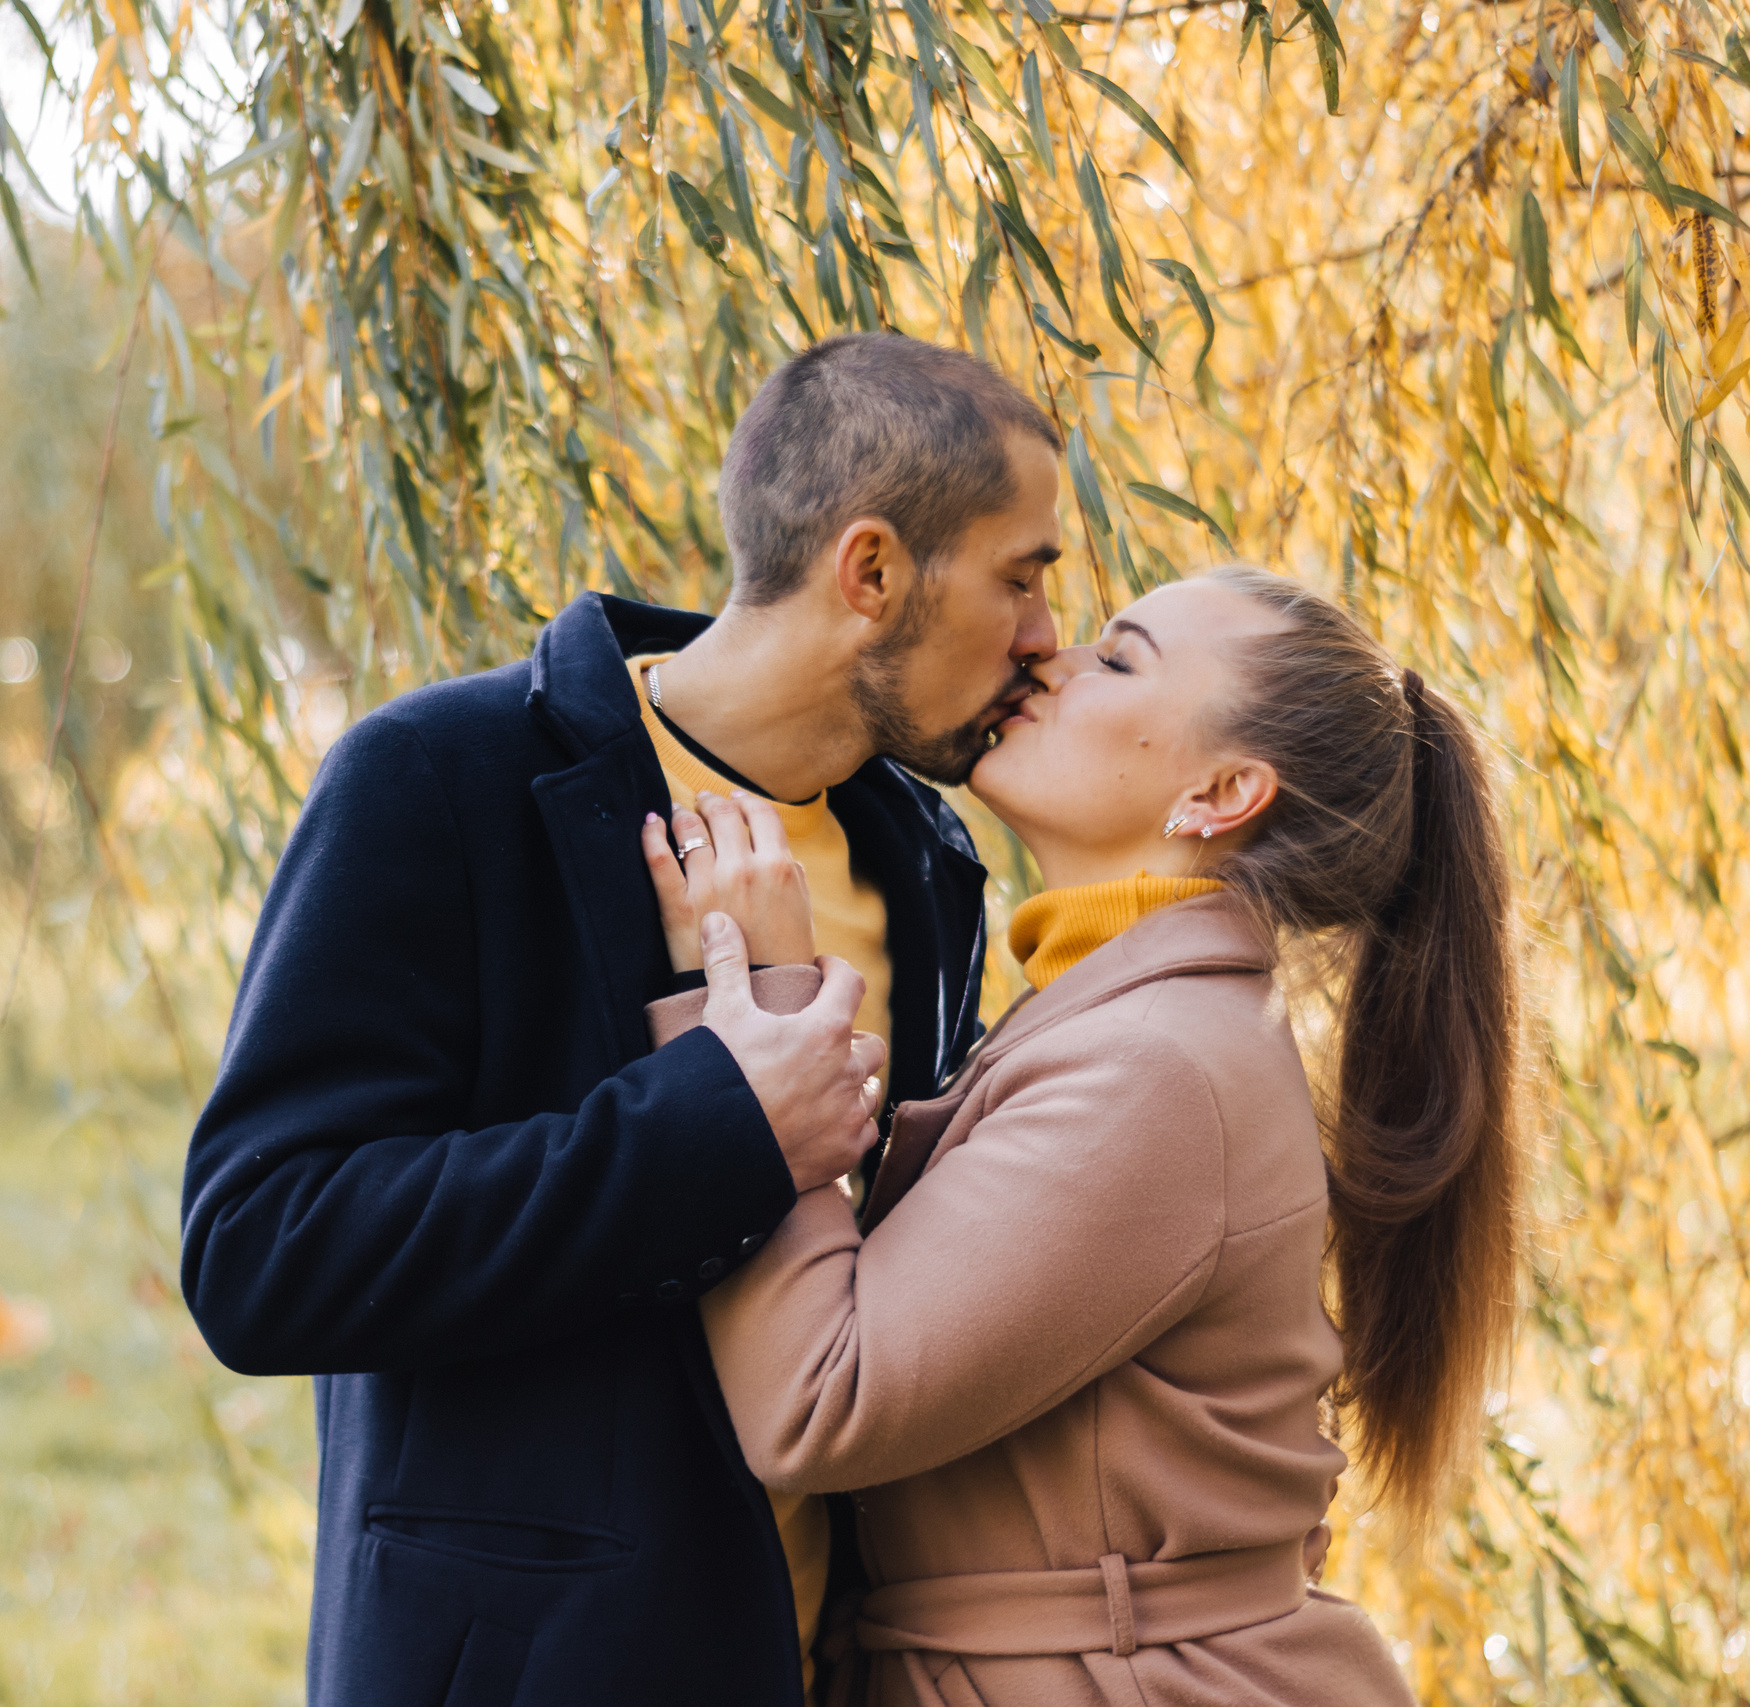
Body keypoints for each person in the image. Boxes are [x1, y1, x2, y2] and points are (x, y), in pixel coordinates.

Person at [178, 333, 1064, 1706]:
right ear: (872, 572)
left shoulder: (924, 855)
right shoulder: (439, 779)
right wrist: (717, 1127)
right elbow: (262, 1247)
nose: (1045, 635)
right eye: (1021, 576)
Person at [641, 565, 1526, 1705]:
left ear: (1221, 792)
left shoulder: (1156, 1068)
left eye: (1116, 659)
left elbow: (824, 1399)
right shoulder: (1118, 1019)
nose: (1044, 656)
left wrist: (758, 1007)